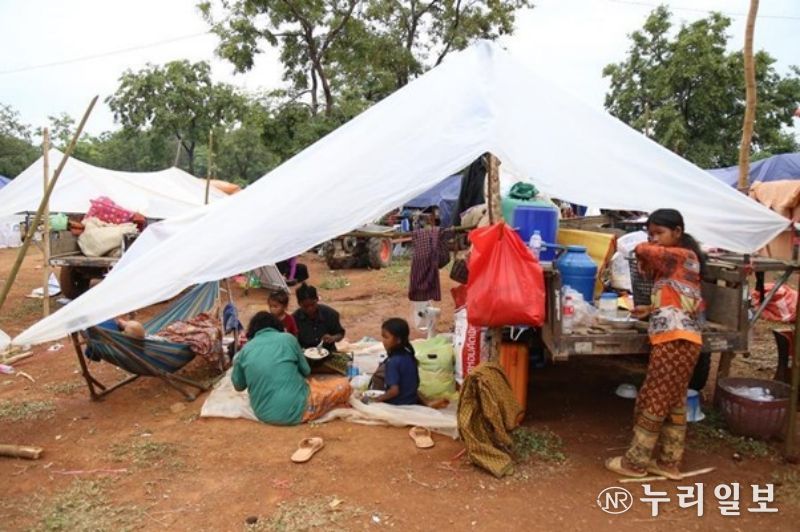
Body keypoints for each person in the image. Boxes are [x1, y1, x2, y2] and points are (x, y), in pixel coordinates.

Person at [606, 209, 705, 480]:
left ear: (678, 232)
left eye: (659, 233)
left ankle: (635, 462)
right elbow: (677, 300)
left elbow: (640, 249)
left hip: (676, 341)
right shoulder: (675, 265)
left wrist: (644, 245)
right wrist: (650, 309)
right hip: (682, 340)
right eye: (651, 234)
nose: (655, 240)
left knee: (654, 398)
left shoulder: (684, 255)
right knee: (673, 400)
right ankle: (668, 462)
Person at [232, 312, 351, 425]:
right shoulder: (288, 339)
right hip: (298, 409)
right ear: (276, 325)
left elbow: (238, 386)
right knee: (344, 386)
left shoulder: (245, 350)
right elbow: (306, 371)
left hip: (263, 414)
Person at [370, 318, 420, 406]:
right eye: (383, 337)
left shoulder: (393, 362)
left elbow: (394, 391)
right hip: (411, 401)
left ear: (398, 340)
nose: (383, 341)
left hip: (398, 404)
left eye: (386, 337)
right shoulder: (409, 355)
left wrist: (377, 399)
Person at [293, 283, 345, 352]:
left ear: (317, 299)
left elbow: (340, 334)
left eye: (312, 304)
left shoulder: (330, 314)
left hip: (328, 353)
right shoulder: (294, 319)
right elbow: (292, 341)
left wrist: (333, 338)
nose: (310, 309)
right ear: (299, 304)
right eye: (305, 306)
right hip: (304, 355)